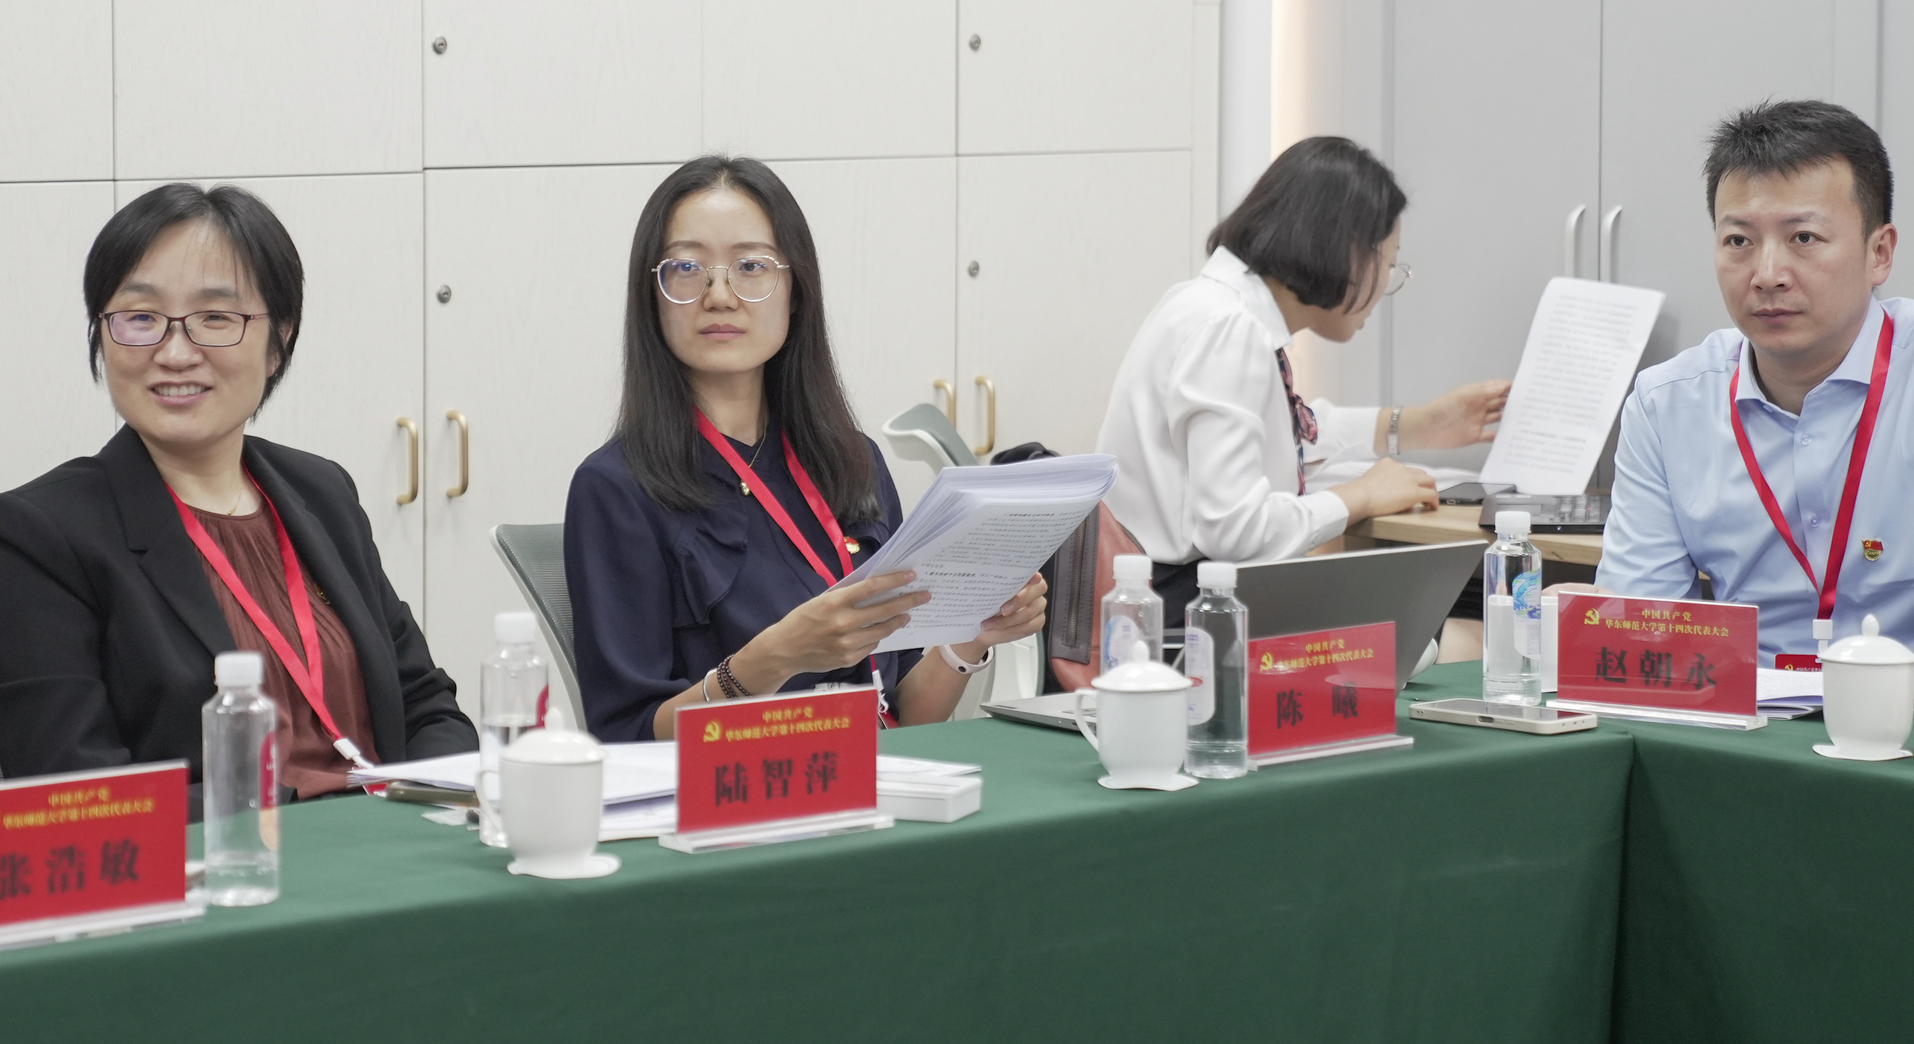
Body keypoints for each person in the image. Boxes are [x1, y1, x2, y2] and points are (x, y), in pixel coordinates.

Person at [0, 185, 475, 806]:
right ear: (102, 334)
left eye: (215, 319)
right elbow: (80, 791)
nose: (176, 353)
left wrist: (432, 800)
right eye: (140, 318)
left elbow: (425, 704)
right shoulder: (34, 535)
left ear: (278, 342)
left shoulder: (321, 493)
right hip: (225, 858)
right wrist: (303, 822)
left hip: (393, 839)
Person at [565, 155, 1046, 741]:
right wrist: (772, 660)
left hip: (874, 786)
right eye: (687, 267)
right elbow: (628, 740)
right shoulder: (616, 488)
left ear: (796, 293)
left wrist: (972, 633)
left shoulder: (854, 461)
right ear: (653, 296)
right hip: (727, 796)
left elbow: (898, 716)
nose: (720, 295)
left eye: (751, 266)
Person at [1097, 136, 1510, 609]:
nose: (1385, 287)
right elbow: (1234, 529)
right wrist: (1358, 496)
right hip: (1184, 610)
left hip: (1168, 594)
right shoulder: (1229, 330)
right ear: (1346, 252)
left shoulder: (1211, 306)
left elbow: (1285, 431)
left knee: (1439, 615)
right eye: (1390, 263)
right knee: (1457, 620)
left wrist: (1419, 425)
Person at [1595, 100, 1909, 661]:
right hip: (1742, 704)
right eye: (1739, 241)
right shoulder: (1667, 405)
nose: (1767, 276)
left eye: (1803, 238)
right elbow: (1643, 633)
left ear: (1879, 253)